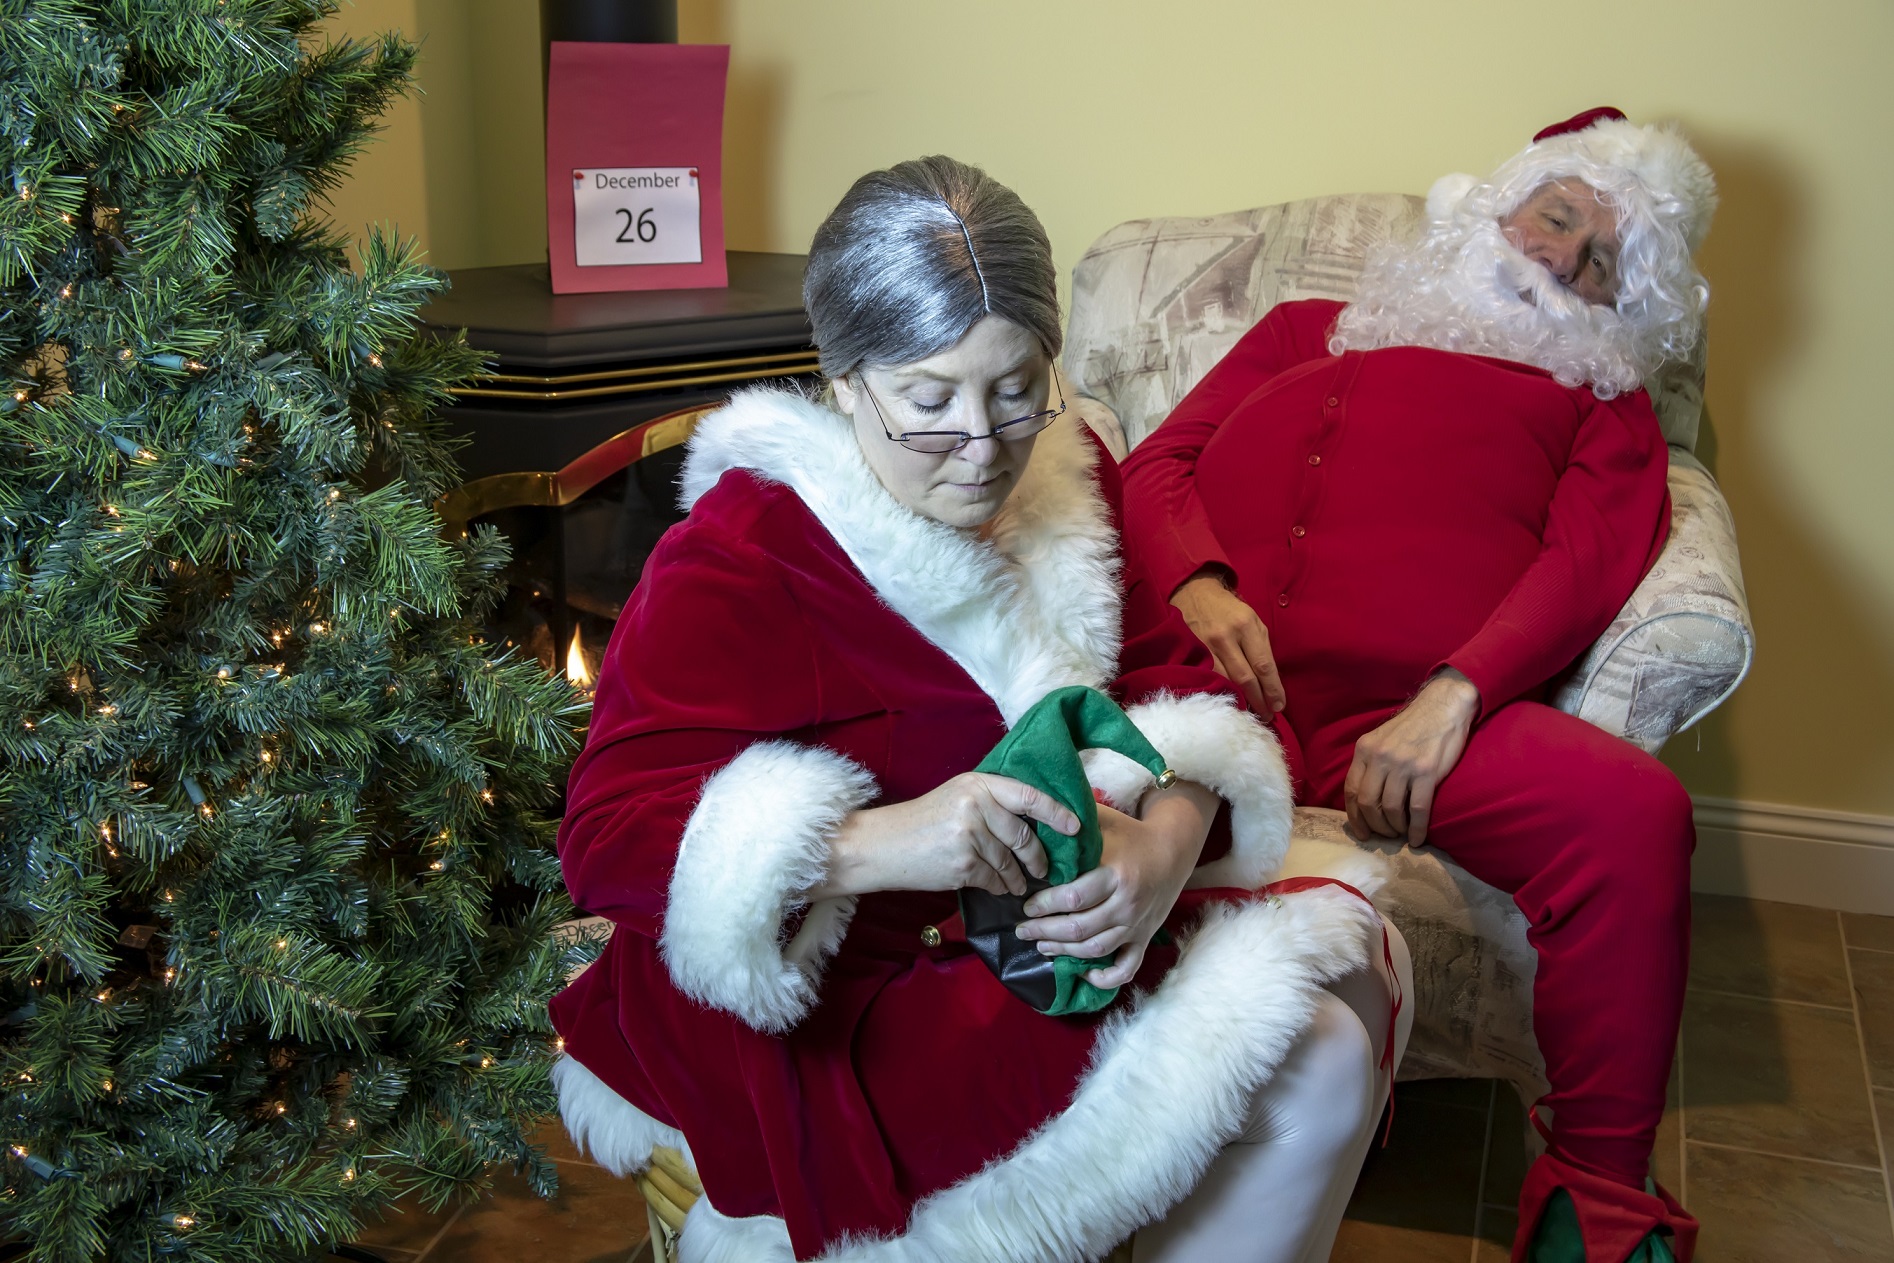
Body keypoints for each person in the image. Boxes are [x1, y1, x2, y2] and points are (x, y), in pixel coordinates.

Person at [545, 156, 1411, 1263]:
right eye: (928, 400)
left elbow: (1184, 682)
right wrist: (880, 842)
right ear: (846, 381)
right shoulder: (741, 555)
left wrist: (1167, 840)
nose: (983, 445)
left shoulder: (1065, 477)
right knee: (1319, 1061)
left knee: (1337, 1018)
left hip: (1024, 948)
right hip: (842, 1008)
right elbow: (605, 841)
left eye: (1015, 389)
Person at [1120, 108, 1715, 1262]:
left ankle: (1596, 1204)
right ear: (1494, 206)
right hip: (1201, 684)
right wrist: (1195, 581)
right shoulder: (1308, 329)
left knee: (1637, 815)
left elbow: (1589, 559)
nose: (1556, 260)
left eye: (1597, 261)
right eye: (1553, 220)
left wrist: (1454, 695)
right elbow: (1161, 461)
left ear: (1620, 306)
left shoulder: (1602, 401)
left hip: (1400, 723)